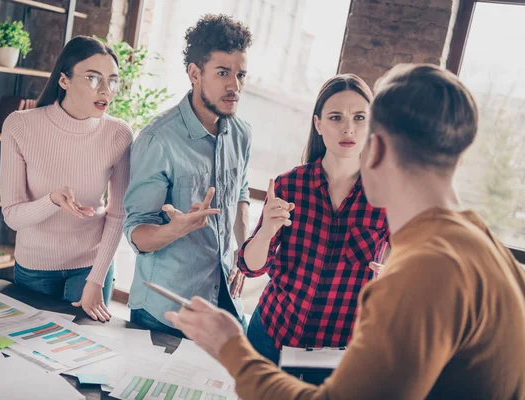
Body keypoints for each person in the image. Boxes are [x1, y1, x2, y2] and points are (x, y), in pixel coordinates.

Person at [165, 63, 525, 399]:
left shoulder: (423, 271)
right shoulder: (485, 245)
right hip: (275, 336)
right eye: (337, 118)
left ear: (376, 148)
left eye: (362, 123)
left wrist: (230, 345)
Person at [238, 74, 389, 365]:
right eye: (336, 117)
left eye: (359, 117)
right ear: (319, 124)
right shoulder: (289, 185)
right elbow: (250, 267)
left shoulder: (387, 195)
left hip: (338, 355)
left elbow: (407, 268)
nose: (348, 127)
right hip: (271, 337)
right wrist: (266, 231)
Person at [123, 14, 253, 337]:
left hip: (219, 301)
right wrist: (176, 230)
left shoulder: (241, 133)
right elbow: (136, 232)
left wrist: (244, 249)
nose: (234, 86)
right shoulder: (158, 140)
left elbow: (240, 194)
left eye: (240, 74)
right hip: (164, 310)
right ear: (195, 73)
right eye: (223, 73)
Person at [0, 36, 133, 322]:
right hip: (34, 267)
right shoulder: (20, 125)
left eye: (112, 80)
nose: (105, 90)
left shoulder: (119, 134)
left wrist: (96, 280)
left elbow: (118, 213)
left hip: (90, 267)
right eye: (93, 78)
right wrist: (51, 200)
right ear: (64, 80)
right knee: (27, 355)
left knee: (81, 358)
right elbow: (12, 216)